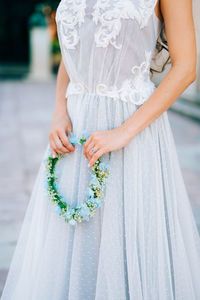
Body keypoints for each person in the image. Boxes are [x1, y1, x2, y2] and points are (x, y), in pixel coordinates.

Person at [1, 0, 200, 299]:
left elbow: (186, 68)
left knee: (124, 244)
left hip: (132, 130)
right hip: (76, 128)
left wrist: (124, 132)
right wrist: (59, 111)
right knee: (72, 245)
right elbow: (76, 48)